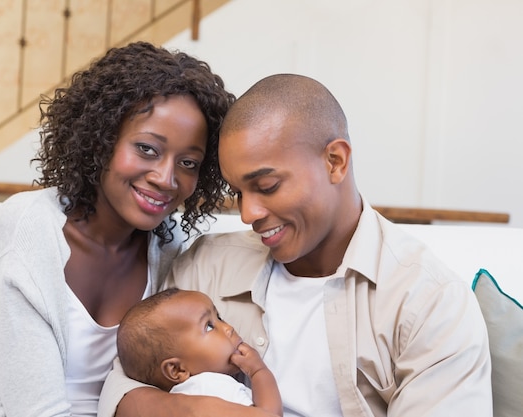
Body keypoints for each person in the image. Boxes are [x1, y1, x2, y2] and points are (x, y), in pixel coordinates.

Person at [99, 74, 492, 417]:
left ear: (335, 162)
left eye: (267, 186)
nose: (249, 213)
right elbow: (126, 381)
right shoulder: (206, 266)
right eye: (238, 192)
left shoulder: (429, 303)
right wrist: (181, 409)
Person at [0, 41, 234, 417]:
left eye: (189, 163)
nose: (166, 178)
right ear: (102, 139)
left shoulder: (168, 250)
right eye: (147, 148)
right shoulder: (29, 228)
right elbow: (37, 410)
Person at [117, 288, 282, 416]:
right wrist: (258, 371)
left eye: (219, 317)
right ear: (177, 370)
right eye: (209, 326)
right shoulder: (211, 387)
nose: (228, 328)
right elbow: (269, 414)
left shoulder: (182, 397)